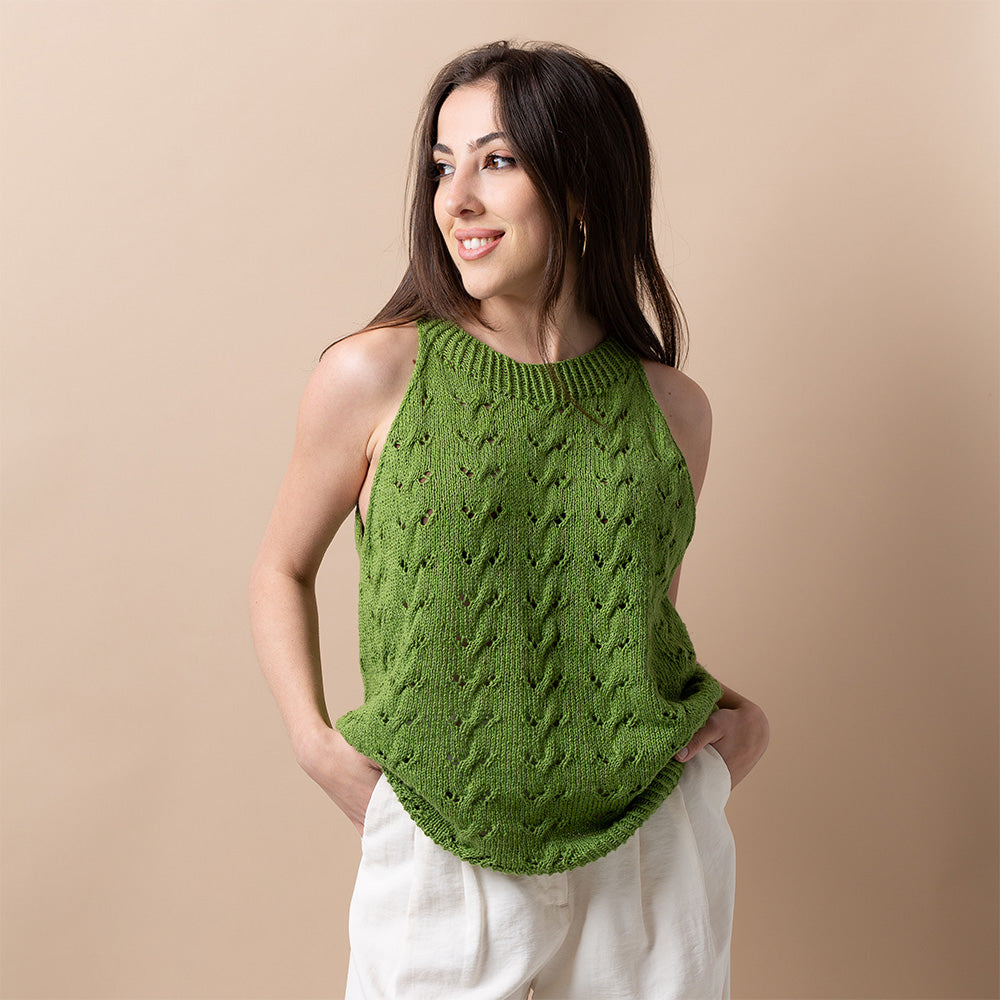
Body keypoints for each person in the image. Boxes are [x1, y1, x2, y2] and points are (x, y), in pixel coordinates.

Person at [248, 39, 769, 1000]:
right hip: (440, 839)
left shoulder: (674, 410)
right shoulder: (375, 373)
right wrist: (315, 744)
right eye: (442, 167)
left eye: (496, 161)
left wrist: (744, 720)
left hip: (650, 843)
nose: (455, 200)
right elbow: (281, 567)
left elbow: (623, 624)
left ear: (581, 186)